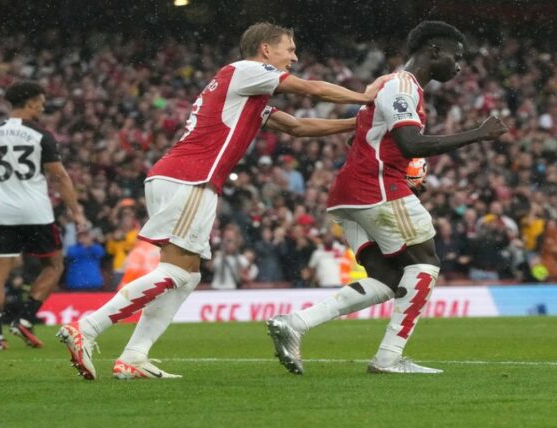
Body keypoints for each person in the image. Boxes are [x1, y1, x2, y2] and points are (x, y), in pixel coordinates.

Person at [57, 21, 386, 380]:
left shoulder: (248, 93)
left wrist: (356, 124)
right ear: (265, 51)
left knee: (188, 275)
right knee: (176, 270)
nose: (294, 56)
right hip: (191, 177)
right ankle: (86, 328)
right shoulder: (246, 71)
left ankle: (134, 356)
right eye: (289, 49)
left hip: (182, 176)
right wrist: (365, 97)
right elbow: (309, 89)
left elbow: (297, 126)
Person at [267, 21, 509, 375]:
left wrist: (402, 174)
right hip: (374, 187)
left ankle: (295, 323)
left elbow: (362, 142)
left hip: (351, 192)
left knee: (390, 281)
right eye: (456, 58)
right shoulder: (401, 86)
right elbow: (410, 143)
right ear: (434, 51)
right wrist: (478, 134)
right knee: (426, 262)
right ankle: (389, 358)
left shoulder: (390, 85)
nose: (459, 66)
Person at [0, 81, 87, 350]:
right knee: (54, 265)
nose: (42, 107)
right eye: (41, 102)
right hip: (37, 211)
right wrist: (77, 212)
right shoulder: (41, 136)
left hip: (2, 212)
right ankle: (26, 319)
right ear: (30, 102)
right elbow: (59, 177)